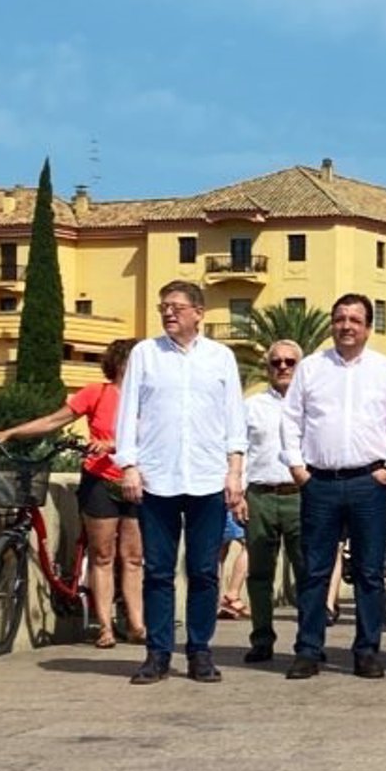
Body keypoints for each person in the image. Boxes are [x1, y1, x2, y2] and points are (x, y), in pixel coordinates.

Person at [114, 284, 247, 684]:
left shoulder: (221, 358)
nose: (169, 313)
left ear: (199, 312)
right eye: (163, 307)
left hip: (207, 477)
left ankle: (199, 651)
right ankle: (157, 653)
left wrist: (235, 471)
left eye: (177, 307)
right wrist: (129, 466)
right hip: (158, 478)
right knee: (157, 569)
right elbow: (128, 413)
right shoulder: (145, 355)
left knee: (204, 570)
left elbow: (234, 419)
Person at [0, 337, 144, 650]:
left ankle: (137, 624)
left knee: (133, 557)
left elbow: (154, 436)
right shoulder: (96, 393)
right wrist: (9, 433)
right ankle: (105, 627)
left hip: (137, 480)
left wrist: (114, 445)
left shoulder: (149, 399)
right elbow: (54, 420)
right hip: (100, 479)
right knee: (102, 555)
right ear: (122, 364)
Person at [282, 293, 386, 681]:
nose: (346, 326)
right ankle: (308, 649)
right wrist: (296, 466)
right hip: (319, 481)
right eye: (340, 319)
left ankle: (367, 651)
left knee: (370, 572)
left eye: (355, 319)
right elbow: (291, 419)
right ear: (331, 324)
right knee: (315, 570)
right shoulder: (310, 368)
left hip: (368, 482)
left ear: (368, 327)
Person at [241, 340, 304, 668]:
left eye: (289, 362)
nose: (282, 367)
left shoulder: (312, 404)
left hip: (301, 496)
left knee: (309, 574)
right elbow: (238, 450)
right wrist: (237, 494)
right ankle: (261, 639)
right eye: (275, 362)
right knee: (259, 574)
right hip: (261, 495)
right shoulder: (251, 406)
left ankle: (308, 641)